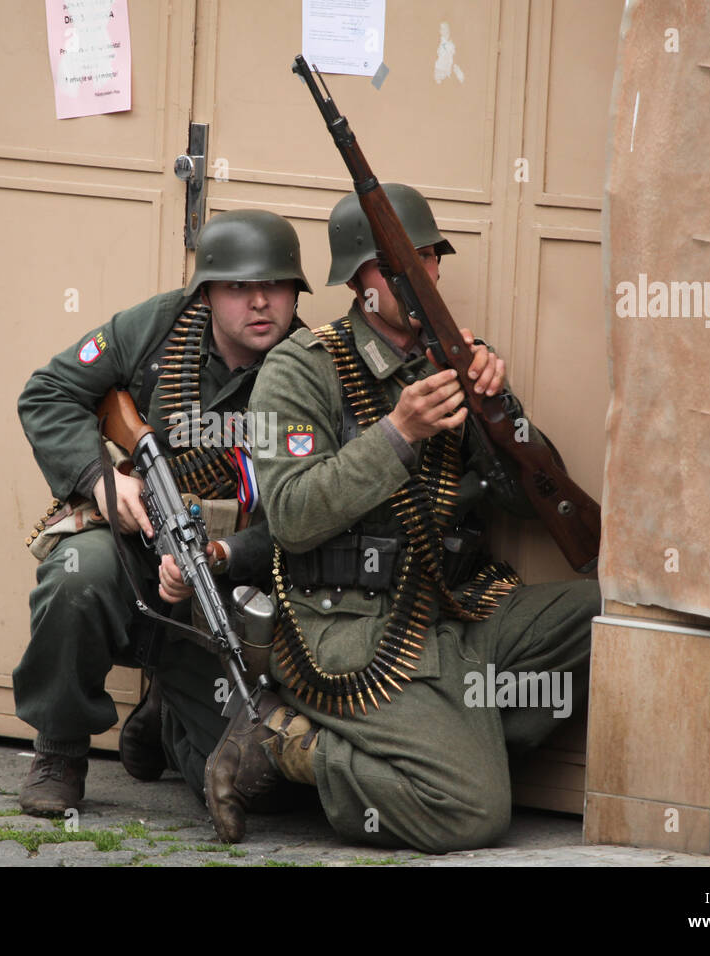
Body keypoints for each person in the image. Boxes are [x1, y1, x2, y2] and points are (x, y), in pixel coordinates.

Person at [204, 183, 599, 852]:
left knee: (607, 609)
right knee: (471, 812)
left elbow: (526, 501)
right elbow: (295, 517)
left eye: (427, 258)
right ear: (356, 280)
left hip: (459, 608)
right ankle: (282, 746)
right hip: (356, 627)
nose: (420, 277)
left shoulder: (454, 359)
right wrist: (397, 432)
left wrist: (502, 417)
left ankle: (442, 741)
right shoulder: (304, 371)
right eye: (396, 266)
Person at [14, 209, 311, 815]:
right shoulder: (157, 330)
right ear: (206, 290)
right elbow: (47, 393)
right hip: (139, 537)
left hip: (237, 570)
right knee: (77, 576)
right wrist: (101, 483)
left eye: (275, 286)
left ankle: (167, 720)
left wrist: (229, 554)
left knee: (242, 784)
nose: (260, 303)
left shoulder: (311, 365)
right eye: (238, 287)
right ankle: (60, 750)